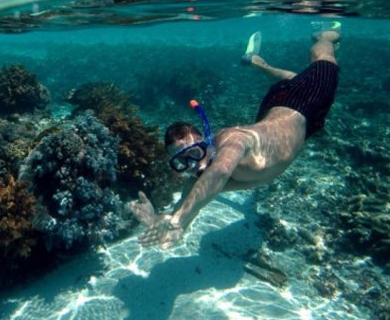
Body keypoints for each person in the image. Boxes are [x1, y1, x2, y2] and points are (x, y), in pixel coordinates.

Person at [129, 24, 341, 249]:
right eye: (182, 161)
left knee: (321, 57)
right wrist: (157, 221)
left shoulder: (235, 141)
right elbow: (181, 212)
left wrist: (180, 220)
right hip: (277, 109)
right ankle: (257, 63)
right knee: (293, 81)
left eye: (195, 152)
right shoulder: (197, 184)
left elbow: (219, 172)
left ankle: (325, 34)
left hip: (306, 103)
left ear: (208, 143)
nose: (193, 164)